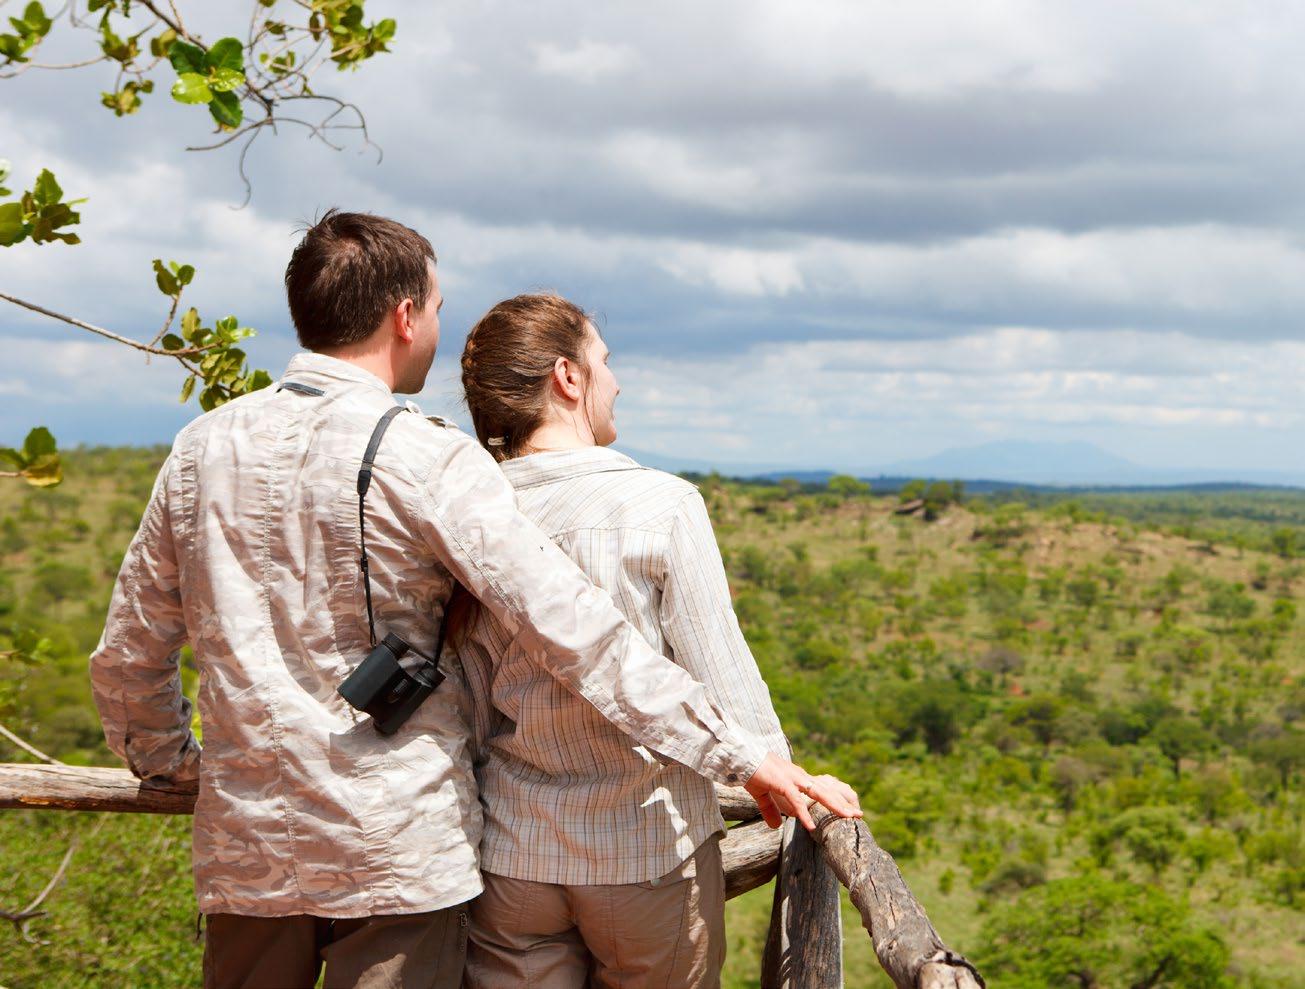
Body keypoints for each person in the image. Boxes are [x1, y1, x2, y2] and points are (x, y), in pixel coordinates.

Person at [88, 210, 860, 989]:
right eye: (435, 307)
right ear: (404, 316)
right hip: (396, 846)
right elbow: (576, 631)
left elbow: (129, 652)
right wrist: (743, 756)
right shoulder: (425, 455)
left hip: (248, 845)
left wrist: (176, 767)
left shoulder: (200, 448)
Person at [456, 293, 860, 989]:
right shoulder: (661, 504)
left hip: (512, 855)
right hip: (646, 852)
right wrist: (783, 773)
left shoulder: (469, 513)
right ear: (567, 377)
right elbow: (723, 673)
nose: (616, 382)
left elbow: (465, 699)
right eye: (604, 362)